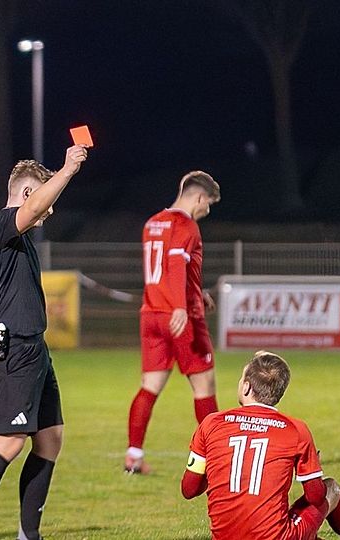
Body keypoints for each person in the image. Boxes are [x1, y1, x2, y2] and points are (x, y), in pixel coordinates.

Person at [0, 144, 89, 540]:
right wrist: (66, 171)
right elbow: (31, 211)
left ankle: (29, 534)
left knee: (50, 438)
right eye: (45, 200)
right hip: (15, 350)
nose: (50, 212)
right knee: (10, 441)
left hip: (34, 349)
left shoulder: (18, 241)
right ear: (29, 194)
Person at [182, 351, 340, 540]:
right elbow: (316, 496)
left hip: (225, 537)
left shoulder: (211, 423)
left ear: (246, 386)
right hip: (278, 537)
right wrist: (315, 469)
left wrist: (218, 467)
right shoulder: (295, 430)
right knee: (331, 488)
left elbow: (189, 489)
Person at [125, 170, 221, 474]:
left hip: (151, 314)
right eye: (209, 205)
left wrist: (196, 291)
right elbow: (177, 263)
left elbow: (165, 268)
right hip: (182, 317)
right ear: (200, 197)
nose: (207, 211)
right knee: (204, 386)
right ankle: (220, 460)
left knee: (149, 387)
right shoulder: (186, 225)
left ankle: (133, 456)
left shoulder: (153, 223)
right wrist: (182, 305)